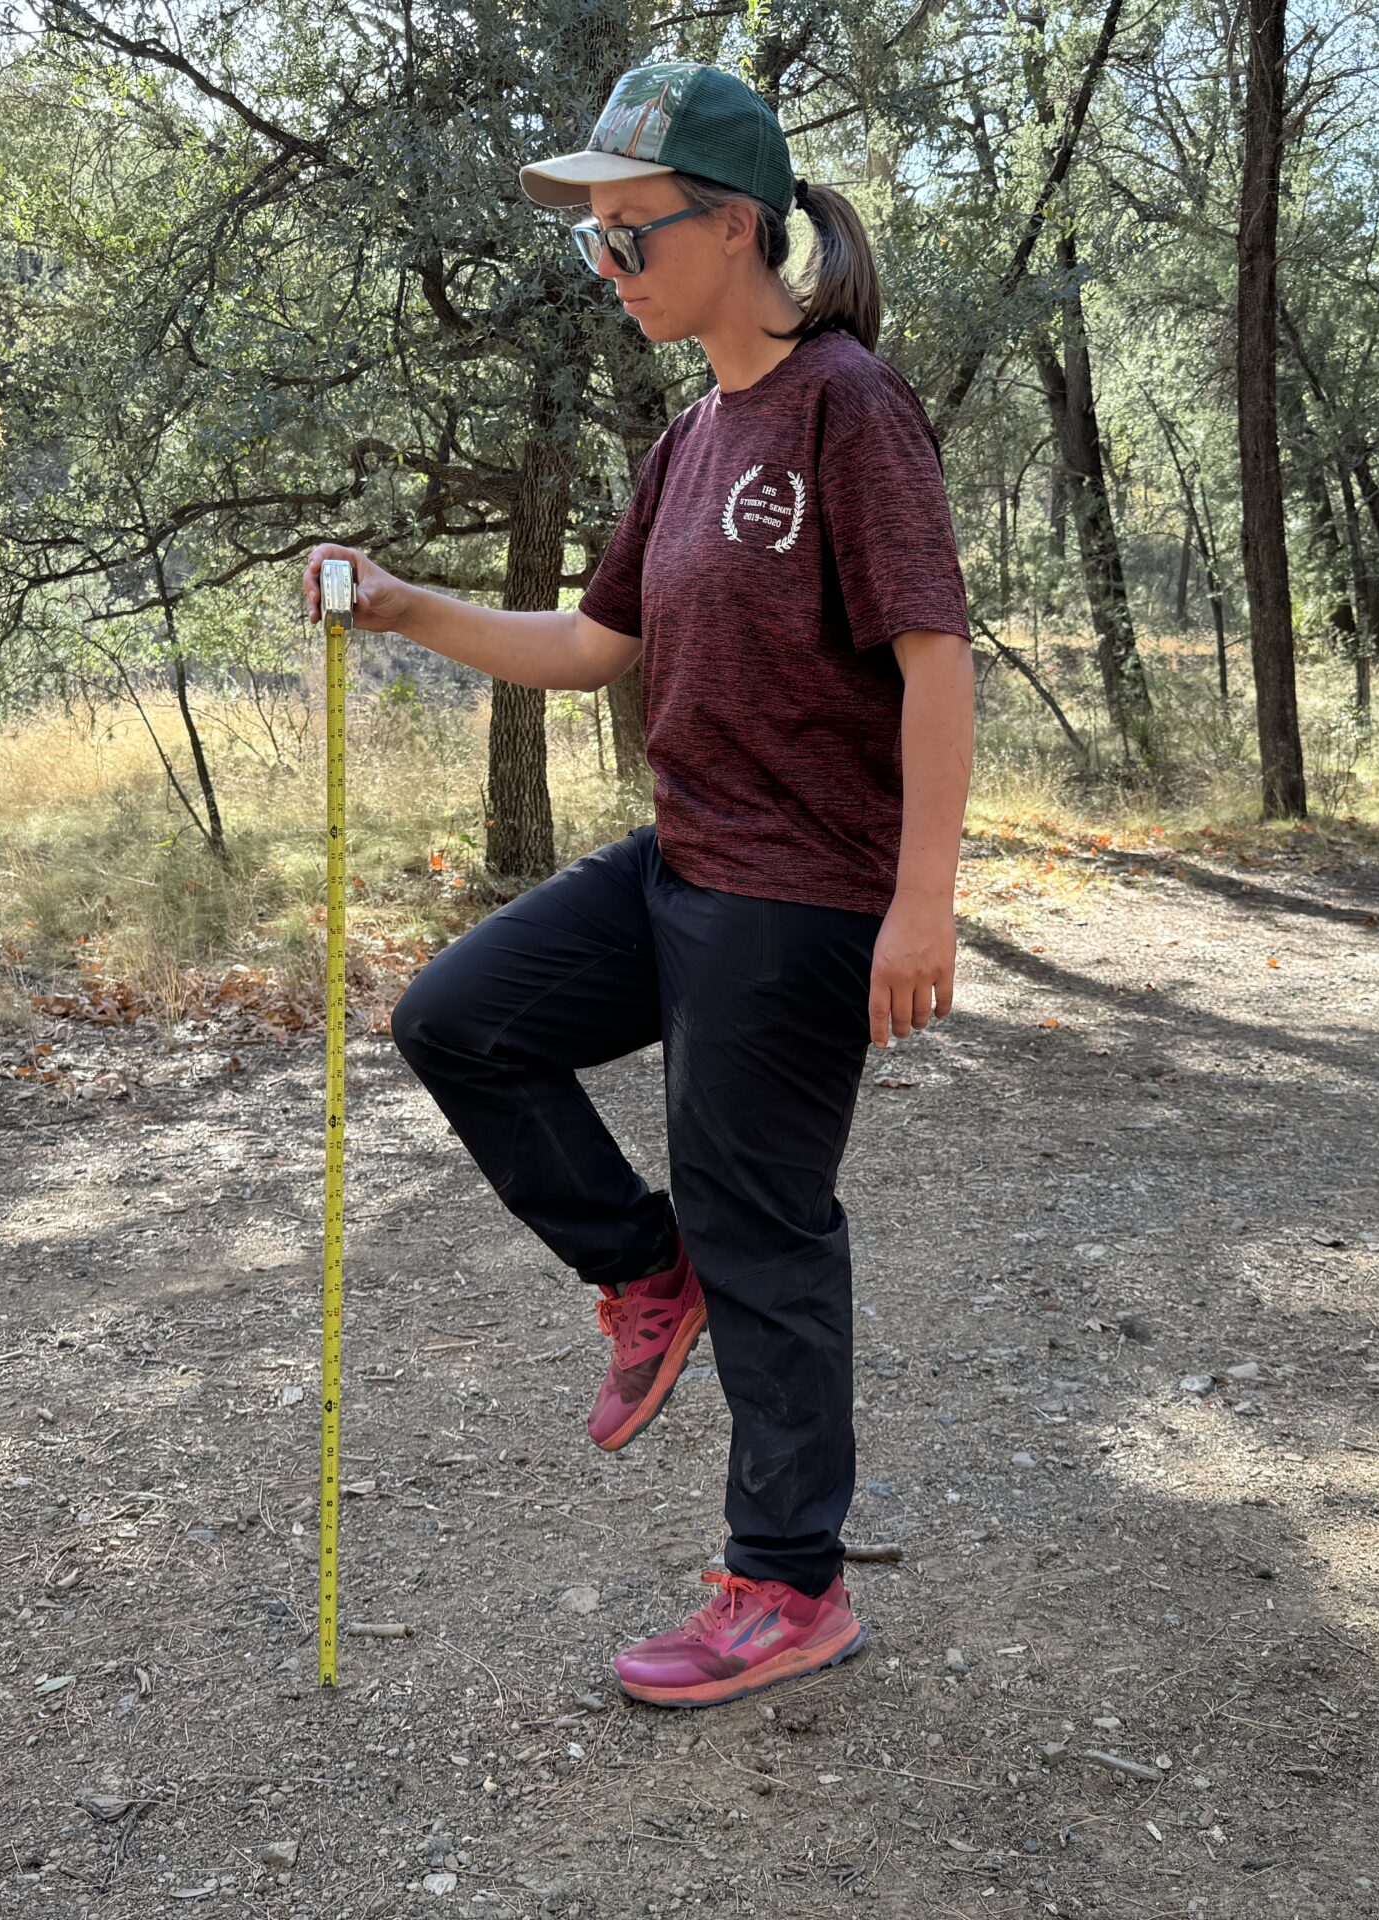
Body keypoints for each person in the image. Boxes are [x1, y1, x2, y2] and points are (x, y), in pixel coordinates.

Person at [299, 58, 973, 1709]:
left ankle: (787, 1585)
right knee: (459, 1020)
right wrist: (406, 610)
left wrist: (924, 900)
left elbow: (937, 661)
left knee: (768, 1225)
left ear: (737, 227)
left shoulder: (846, 406)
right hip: (683, 862)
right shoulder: (688, 441)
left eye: (630, 236)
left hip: (804, 893)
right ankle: (637, 1272)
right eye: (592, 243)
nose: (609, 270)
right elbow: (600, 645)